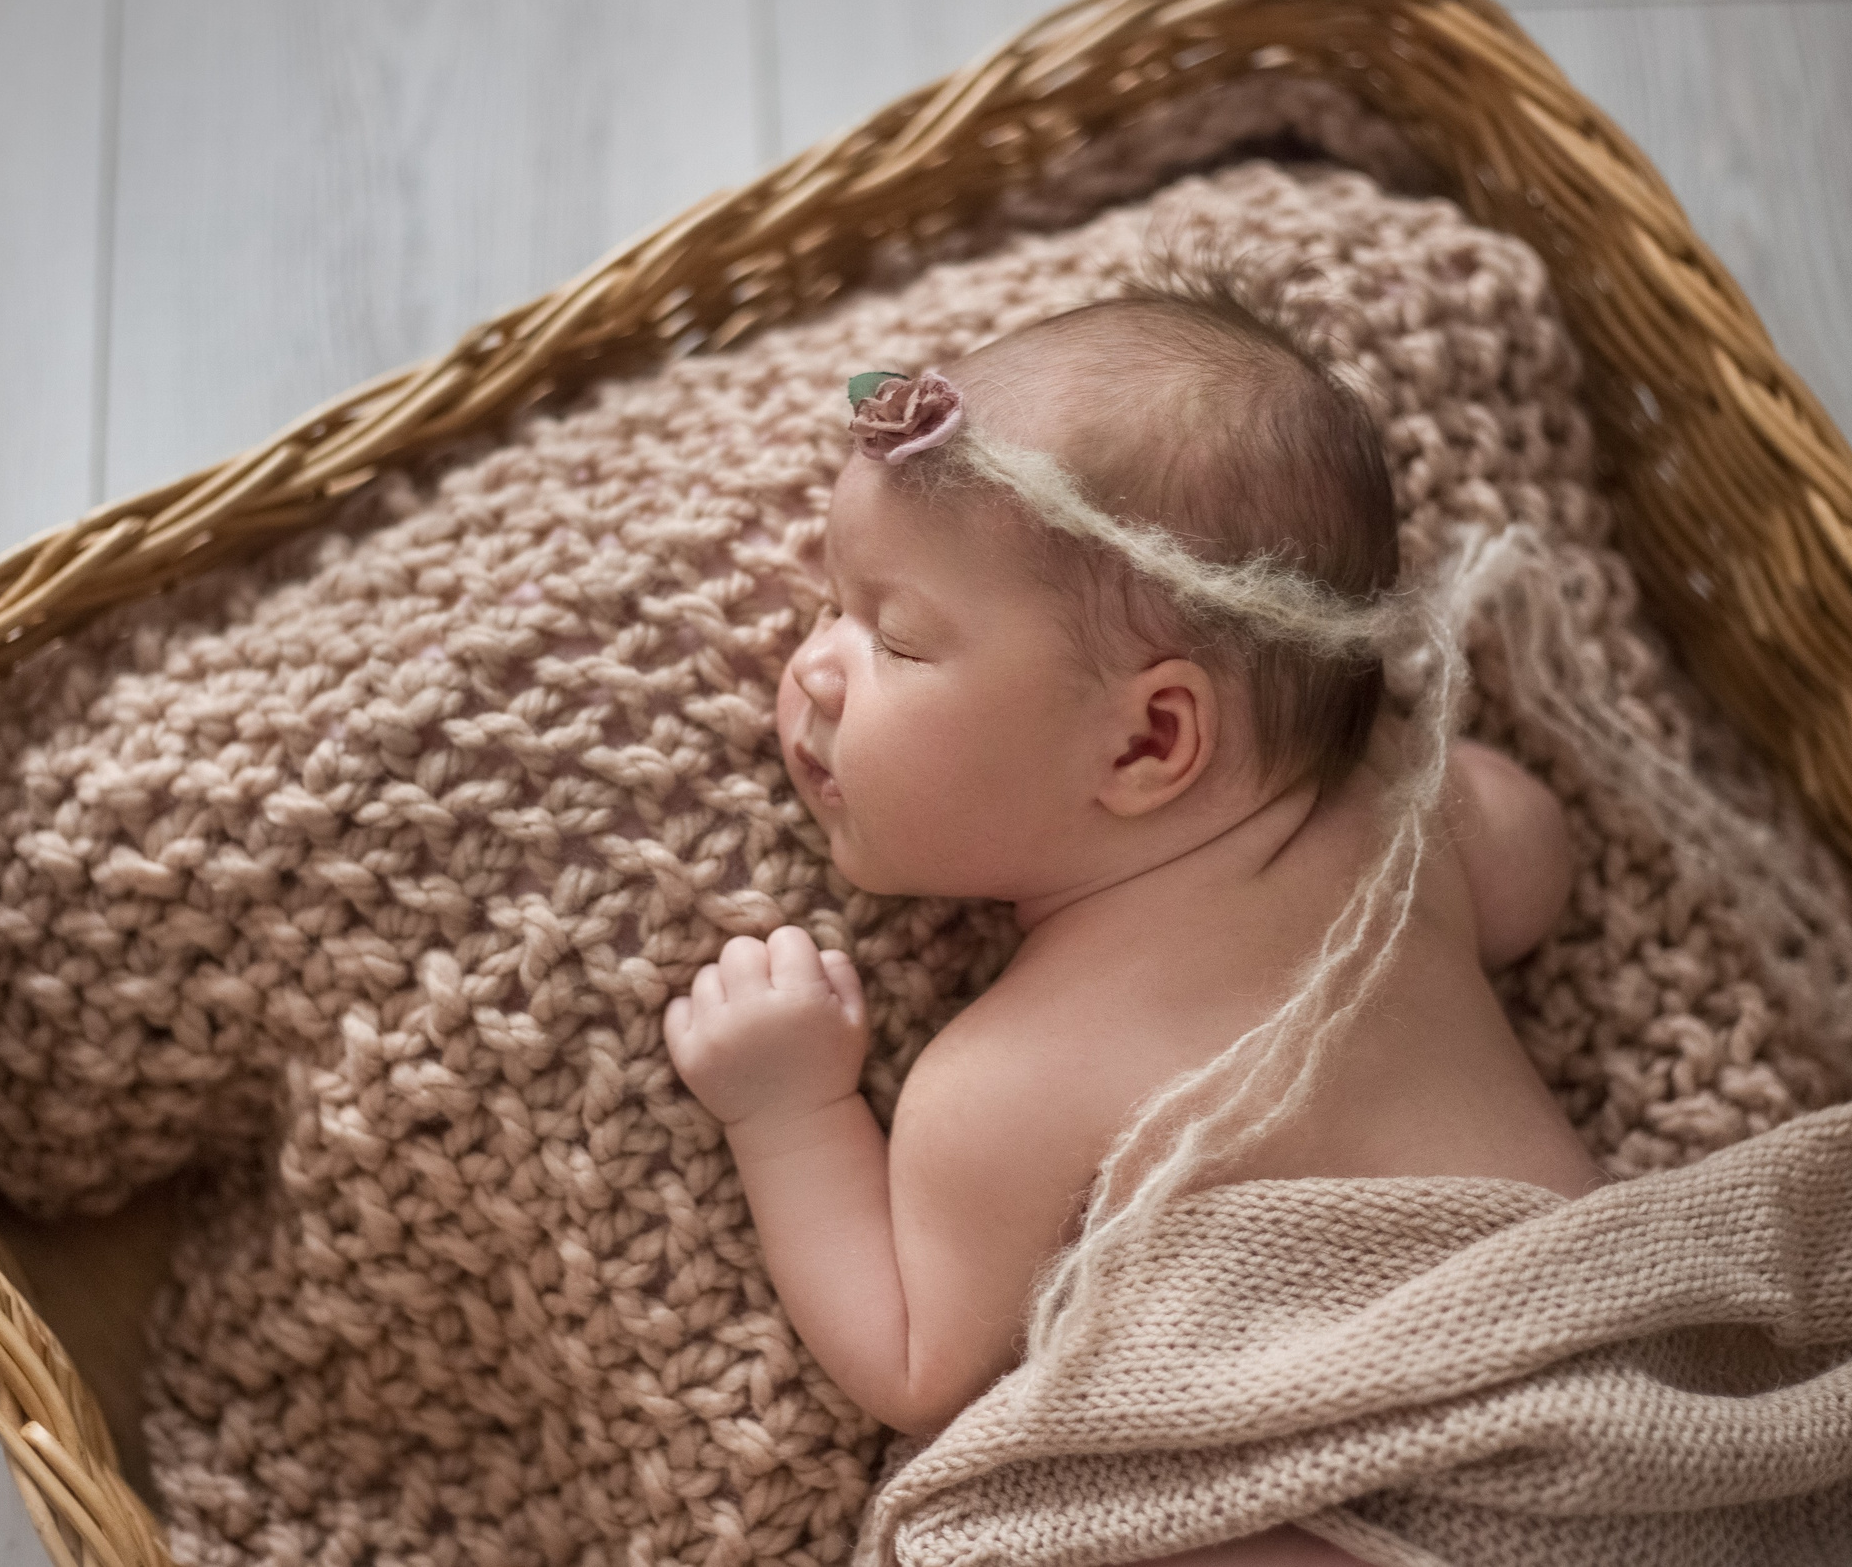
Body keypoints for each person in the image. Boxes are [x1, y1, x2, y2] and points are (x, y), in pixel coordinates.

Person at [664, 277, 1607, 1565]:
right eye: (836, 605)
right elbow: (1536, 858)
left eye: (895, 638)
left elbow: (909, 1360)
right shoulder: (1413, 823)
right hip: (1594, 1400)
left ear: (1154, 739)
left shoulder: (1008, 1085)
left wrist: (787, 1111)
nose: (817, 665)